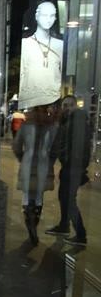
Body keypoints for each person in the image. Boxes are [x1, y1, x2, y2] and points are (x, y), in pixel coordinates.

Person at [46, 95, 91, 246]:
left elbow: (79, 147)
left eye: (70, 105)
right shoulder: (68, 121)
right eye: (64, 105)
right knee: (63, 197)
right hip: (69, 166)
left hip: (73, 167)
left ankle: (81, 234)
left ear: (75, 105)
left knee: (69, 200)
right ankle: (64, 225)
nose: (67, 108)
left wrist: (77, 167)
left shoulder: (77, 120)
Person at [12, 103, 59, 245]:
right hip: (43, 164)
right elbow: (55, 149)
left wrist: (22, 158)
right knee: (39, 195)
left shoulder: (26, 125)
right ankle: (35, 220)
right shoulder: (52, 126)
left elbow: (16, 146)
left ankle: (29, 220)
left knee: (27, 194)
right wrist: (50, 162)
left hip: (28, 163)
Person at [19, 1, 63, 110]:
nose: (48, 19)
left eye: (52, 15)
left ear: (55, 18)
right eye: (44, 15)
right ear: (36, 16)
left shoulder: (60, 45)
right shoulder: (25, 44)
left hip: (53, 101)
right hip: (28, 102)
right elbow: (21, 74)